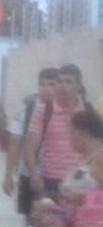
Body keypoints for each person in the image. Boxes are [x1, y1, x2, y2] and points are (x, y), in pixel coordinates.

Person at [24, 63, 89, 203]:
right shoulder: (43, 110)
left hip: (79, 183)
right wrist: (33, 175)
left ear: (78, 87)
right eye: (59, 81)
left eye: (68, 82)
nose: (62, 86)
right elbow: (30, 148)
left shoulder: (87, 111)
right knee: (49, 223)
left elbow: (96, 147)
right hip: (49, 181)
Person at [3, 68, 59, 217]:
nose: (46, 89)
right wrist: (8, 176)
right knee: (30, 218)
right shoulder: (26, 106)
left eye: (51, 84)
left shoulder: (67, 109)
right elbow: (15, 141)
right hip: (29, 173)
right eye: (42, 84)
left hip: (57, 175)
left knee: (57, 222)